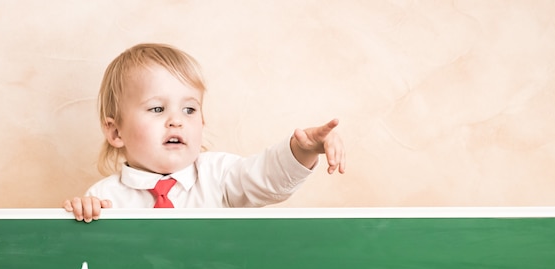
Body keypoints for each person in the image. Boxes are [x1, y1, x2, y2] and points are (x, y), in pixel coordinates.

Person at [64, 43, 345, 222]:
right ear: (116, 133)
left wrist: (303, 150)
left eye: (189, 110)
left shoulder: (219, 175)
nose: (176, 121)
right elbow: (91, 264)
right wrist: (82, 216)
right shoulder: (104, 198)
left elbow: (267, 177)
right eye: (157, 109)